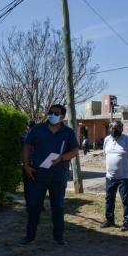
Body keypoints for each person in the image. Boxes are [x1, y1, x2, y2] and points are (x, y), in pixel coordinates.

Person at [22, 104, 79, 245]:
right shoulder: (38, 129)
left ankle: (59, 237)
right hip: (38, 174)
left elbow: (75, 151)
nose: (52, 115)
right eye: (51, 112)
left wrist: (62, 158)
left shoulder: (68, 132)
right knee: (34, 206)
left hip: (58, 175)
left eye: (56, 113)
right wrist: (26, 165)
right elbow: (27, 146)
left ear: (62, 116)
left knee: (58, 206)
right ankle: (30, 236)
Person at [102, 120, 128, 231]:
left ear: (122, 129)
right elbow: (105, 154)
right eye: (112, 128)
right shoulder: (106, 140)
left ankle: (127, 223)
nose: (114, 130)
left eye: (117, 128)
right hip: (110, 177)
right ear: (110, 129)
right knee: (109, 199)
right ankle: (109, 220)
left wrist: (125, 166)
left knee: (126, 200)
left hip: (124, 177)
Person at [22, 119, 37, 211]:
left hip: (26, 164)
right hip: (35, 164)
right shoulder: (37, 136)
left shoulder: (24, 135)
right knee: (37, 185)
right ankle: (37, 204)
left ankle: (29, 205)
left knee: (28, 186)